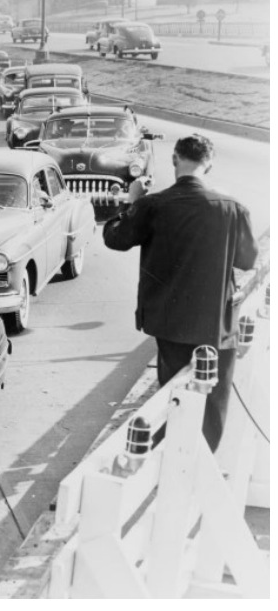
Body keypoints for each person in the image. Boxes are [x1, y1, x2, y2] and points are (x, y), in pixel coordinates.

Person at [102, 134, 258, 451]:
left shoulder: (152, 205)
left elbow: (115, 238)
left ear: (175, 160)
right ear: (209, 165)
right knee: (213, 404)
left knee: (171, 398)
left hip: (169, 324)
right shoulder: (233, 208)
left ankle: (171, 461)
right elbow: (247, 259)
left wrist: (130, 201)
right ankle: (204, 466)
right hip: (216, 323)